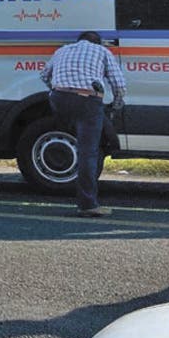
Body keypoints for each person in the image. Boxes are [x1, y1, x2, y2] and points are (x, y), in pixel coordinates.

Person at [40, 31, 126, 217]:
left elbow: (45, 75)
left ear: (79, 41)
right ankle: (88, 205)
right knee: (88, 152)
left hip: (59, 98)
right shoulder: (102, 51)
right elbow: (119, 84)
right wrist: (117, 104)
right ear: (98, 43)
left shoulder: (62, 50)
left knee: (77, 134)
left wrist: (57, 91)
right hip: (87, 100)